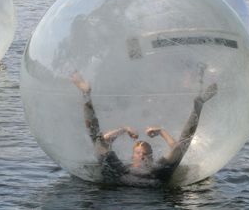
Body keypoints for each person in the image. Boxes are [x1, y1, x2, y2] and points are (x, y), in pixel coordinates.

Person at [71, 70, 218, 186]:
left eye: (145, 154)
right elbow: (103, 141)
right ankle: (86, 93)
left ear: (152, 158)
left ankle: (198, 106)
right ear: (132, 156)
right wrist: (123, 129)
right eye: (138, 153)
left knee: (182, 146)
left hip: (152, 178)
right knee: (97, 140)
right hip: (123, 177)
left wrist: (161, 131)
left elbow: (177, 148)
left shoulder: (157, 170)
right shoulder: (121, 169)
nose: (141, 156)